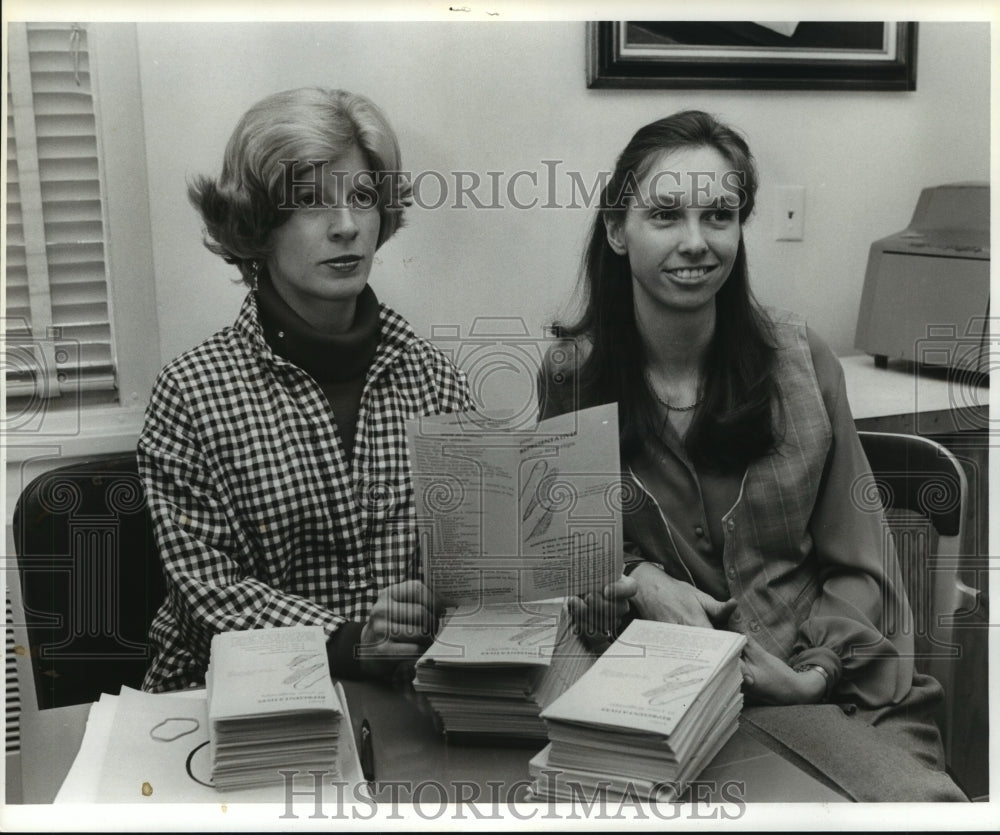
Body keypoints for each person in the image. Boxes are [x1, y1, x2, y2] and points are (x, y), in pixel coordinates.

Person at [539, 110, 967, 800]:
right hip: (658, 700)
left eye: (720, 215)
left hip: (831, 696)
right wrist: (636, 576)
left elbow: (864, 565)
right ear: (618, 231)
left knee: (911, 806)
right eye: (666, 215)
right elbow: (571, 566)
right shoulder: (573, 380)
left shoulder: (801, 360)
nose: (695, 242)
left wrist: (813, 672)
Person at [138, 88, 469, 692]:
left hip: (404, 700)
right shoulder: (191, 392)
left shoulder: (436, 380)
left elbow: (475, 570)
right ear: (258, 224)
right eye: (312, 201)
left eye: (363, 199)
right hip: (236, 699)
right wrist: (346, 643)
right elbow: (208, 596)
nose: (346, 227)